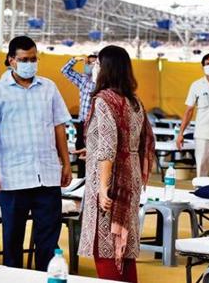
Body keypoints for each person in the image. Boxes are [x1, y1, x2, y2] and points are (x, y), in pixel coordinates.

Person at [0, 35, 73, 270]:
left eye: (33, 59)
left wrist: (66, 163)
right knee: (12, 239)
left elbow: (59, 127)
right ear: (11, 60)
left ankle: (44, 277)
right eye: (24, 59)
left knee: (48, 239)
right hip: (14, 176)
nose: (30, 63)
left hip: (47, 175)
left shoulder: (49, 87)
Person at [78, 45, 154, 283]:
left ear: (105, 67)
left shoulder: (103, 100)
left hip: (110, 181)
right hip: (130, 177)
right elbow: (138, 140)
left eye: (97, 63)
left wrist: (102, 188)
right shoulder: (134, 101)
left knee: (106, 246)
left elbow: (109, 147)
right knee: (125, 244)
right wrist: (91, 149)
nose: (94, 67)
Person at [60, 54, 97, 178]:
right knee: (80, 150)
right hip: (82, 123)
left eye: (93, 64)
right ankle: (81, 179)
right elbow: (65, 71)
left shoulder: (104, 83)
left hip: (96, 124)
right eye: (88, 64)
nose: (90, 66)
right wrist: (75, 59)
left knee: (94, 153)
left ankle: (93, 180)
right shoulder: (83, 79)